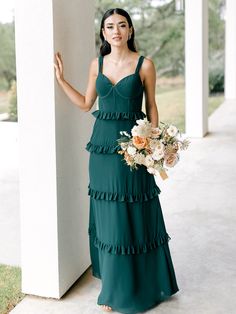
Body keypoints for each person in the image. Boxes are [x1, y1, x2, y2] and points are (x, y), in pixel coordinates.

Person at [54, 7, 179, 314]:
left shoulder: (145, 64)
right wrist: (61, 80)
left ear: (130, 30)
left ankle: (141, 282)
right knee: (109, 217)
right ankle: (112, 287)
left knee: (133, 213)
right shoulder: (96, 65)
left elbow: (151, 107)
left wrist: (152, 145)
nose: (116, 31)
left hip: (133, 150)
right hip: (101, 151)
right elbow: (86, 104)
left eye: (122, 25)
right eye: (110, 26)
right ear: (104, 33)